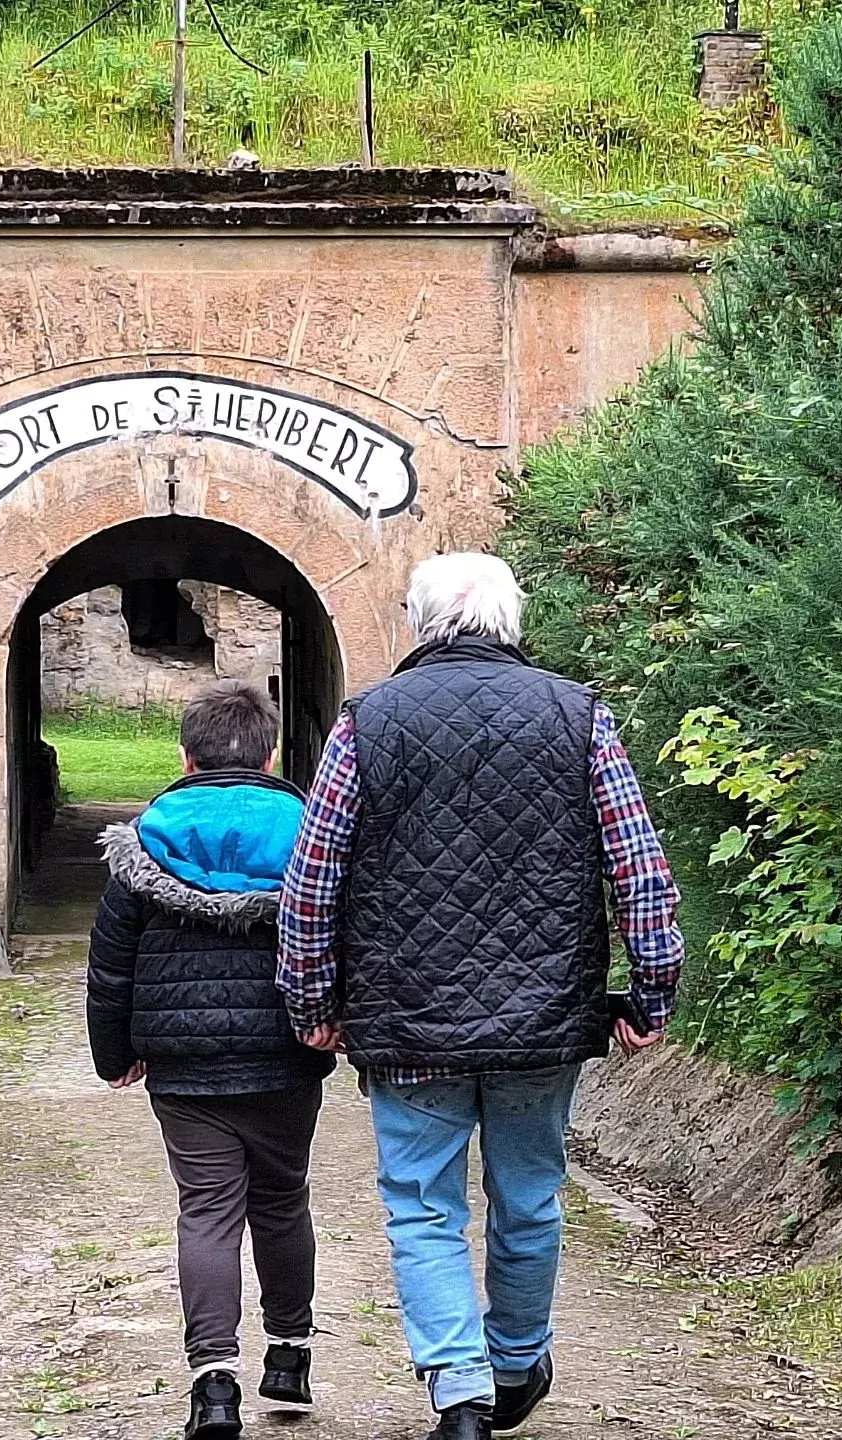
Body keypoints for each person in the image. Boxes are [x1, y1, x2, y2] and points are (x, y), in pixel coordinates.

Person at [277, 552, 685, 1440]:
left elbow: (313, 881)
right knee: (530, 1196)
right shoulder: (579, 716)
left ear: (420, 621)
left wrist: (312, 1002)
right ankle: (515, 1362)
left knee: (422, 1205)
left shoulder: (367, 722)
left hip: (407, 1016)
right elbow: (641, 870)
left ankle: (458, 1386)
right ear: (510, 618)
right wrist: (651, 992)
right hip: (544, 1018)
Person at [86, 679, 335, 1440]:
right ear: (271, 755)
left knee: (207, 1210)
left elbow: (111, 966)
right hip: (285, 1054)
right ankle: (289, 1358)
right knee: (282, 1200)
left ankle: (214, 1385)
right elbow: (341, 939)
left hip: (184, 1063)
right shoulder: (309, 835)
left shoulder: (146, 842)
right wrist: (341, 1028)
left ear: (185, 756)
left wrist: (113, 1054)